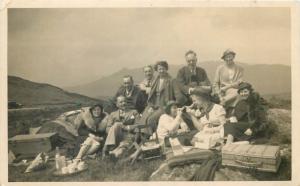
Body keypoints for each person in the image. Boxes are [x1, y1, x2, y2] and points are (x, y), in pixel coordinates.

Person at [37, 103, 108, 157]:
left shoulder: (105, 119)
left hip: (98, 139)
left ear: (101, 111)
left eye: (98, 110)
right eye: (94, 110)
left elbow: (106, 131)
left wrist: (101, 138)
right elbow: (80, 130)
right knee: (86, 143)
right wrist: (90, 135)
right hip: (86, 137)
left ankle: (80, 156)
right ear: (91, 111)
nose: (96, 112)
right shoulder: (88, 119)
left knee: (97, 145)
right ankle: (80, 156)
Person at [142, 61, 176, 135]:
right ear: (157, 70)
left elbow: (175, 95)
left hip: (164, 106)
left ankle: (154, 136)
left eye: (163, 69)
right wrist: (151, 106)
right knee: (144, 116)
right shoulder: (156, 80)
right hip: (154, 104)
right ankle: (142, 137)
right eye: (159, 69)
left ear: (166, 69)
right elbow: (151, 93)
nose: (161, 71)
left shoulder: (171, 80)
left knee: (151, 119)